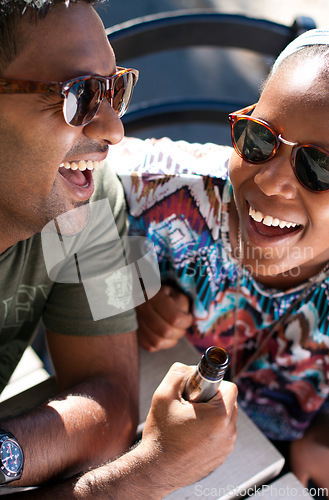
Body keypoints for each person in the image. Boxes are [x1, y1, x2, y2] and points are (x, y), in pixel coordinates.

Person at [0, 0, 238, 496]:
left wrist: (6, 452)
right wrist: (149, 470)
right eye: (79, 96)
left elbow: (110, 402)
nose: (113, 130)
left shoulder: (86, 195)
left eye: (115, 90)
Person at [116, 29, 329, 493]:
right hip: (135, 431)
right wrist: (121, 295)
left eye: (318, 167)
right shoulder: (165, 188)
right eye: (259, 138)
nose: (270, 180)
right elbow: (68, 182)